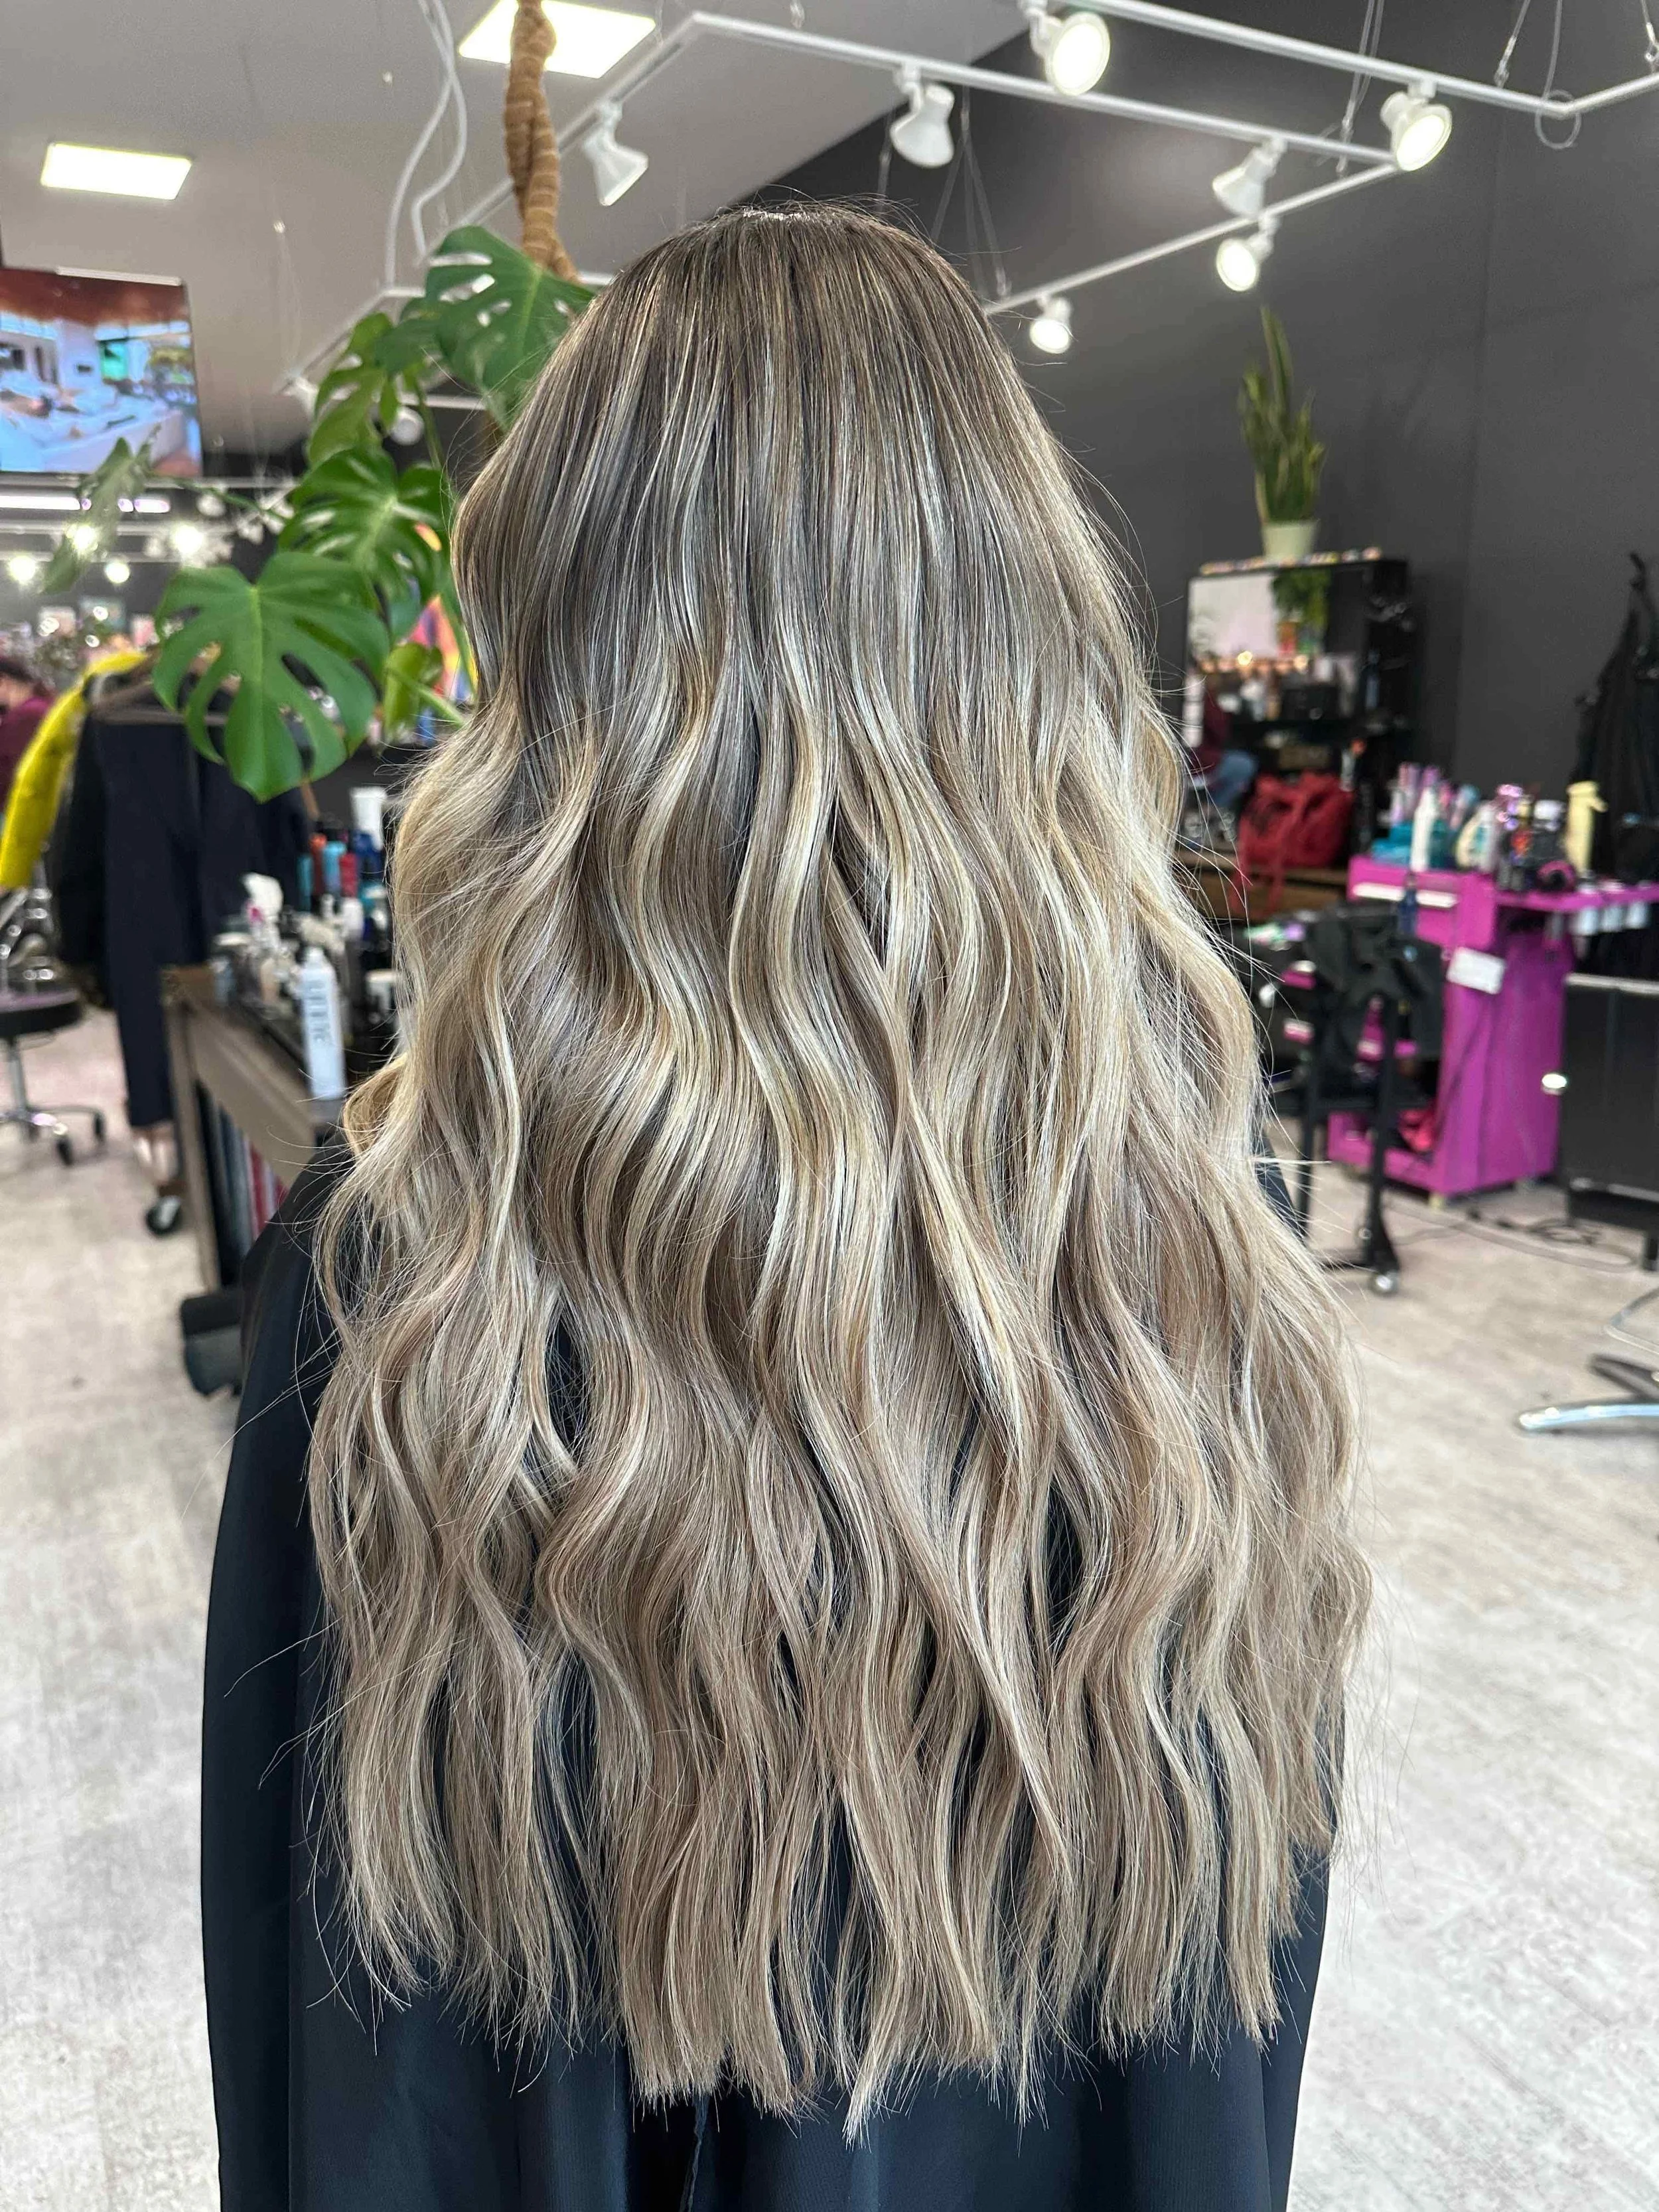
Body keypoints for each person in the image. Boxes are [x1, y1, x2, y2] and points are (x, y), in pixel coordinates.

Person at [203, 204, 1368, 2212]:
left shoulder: (411, 1285)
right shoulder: (1185, 1247)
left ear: (566, 673)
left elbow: (357, 2081)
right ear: (1016, 642)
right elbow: (1222, 2037)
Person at [0, 653, 50, 820]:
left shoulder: (26, 717)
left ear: (4, 681)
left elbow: (12, 774)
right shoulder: (40, 707)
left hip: (19, 816)